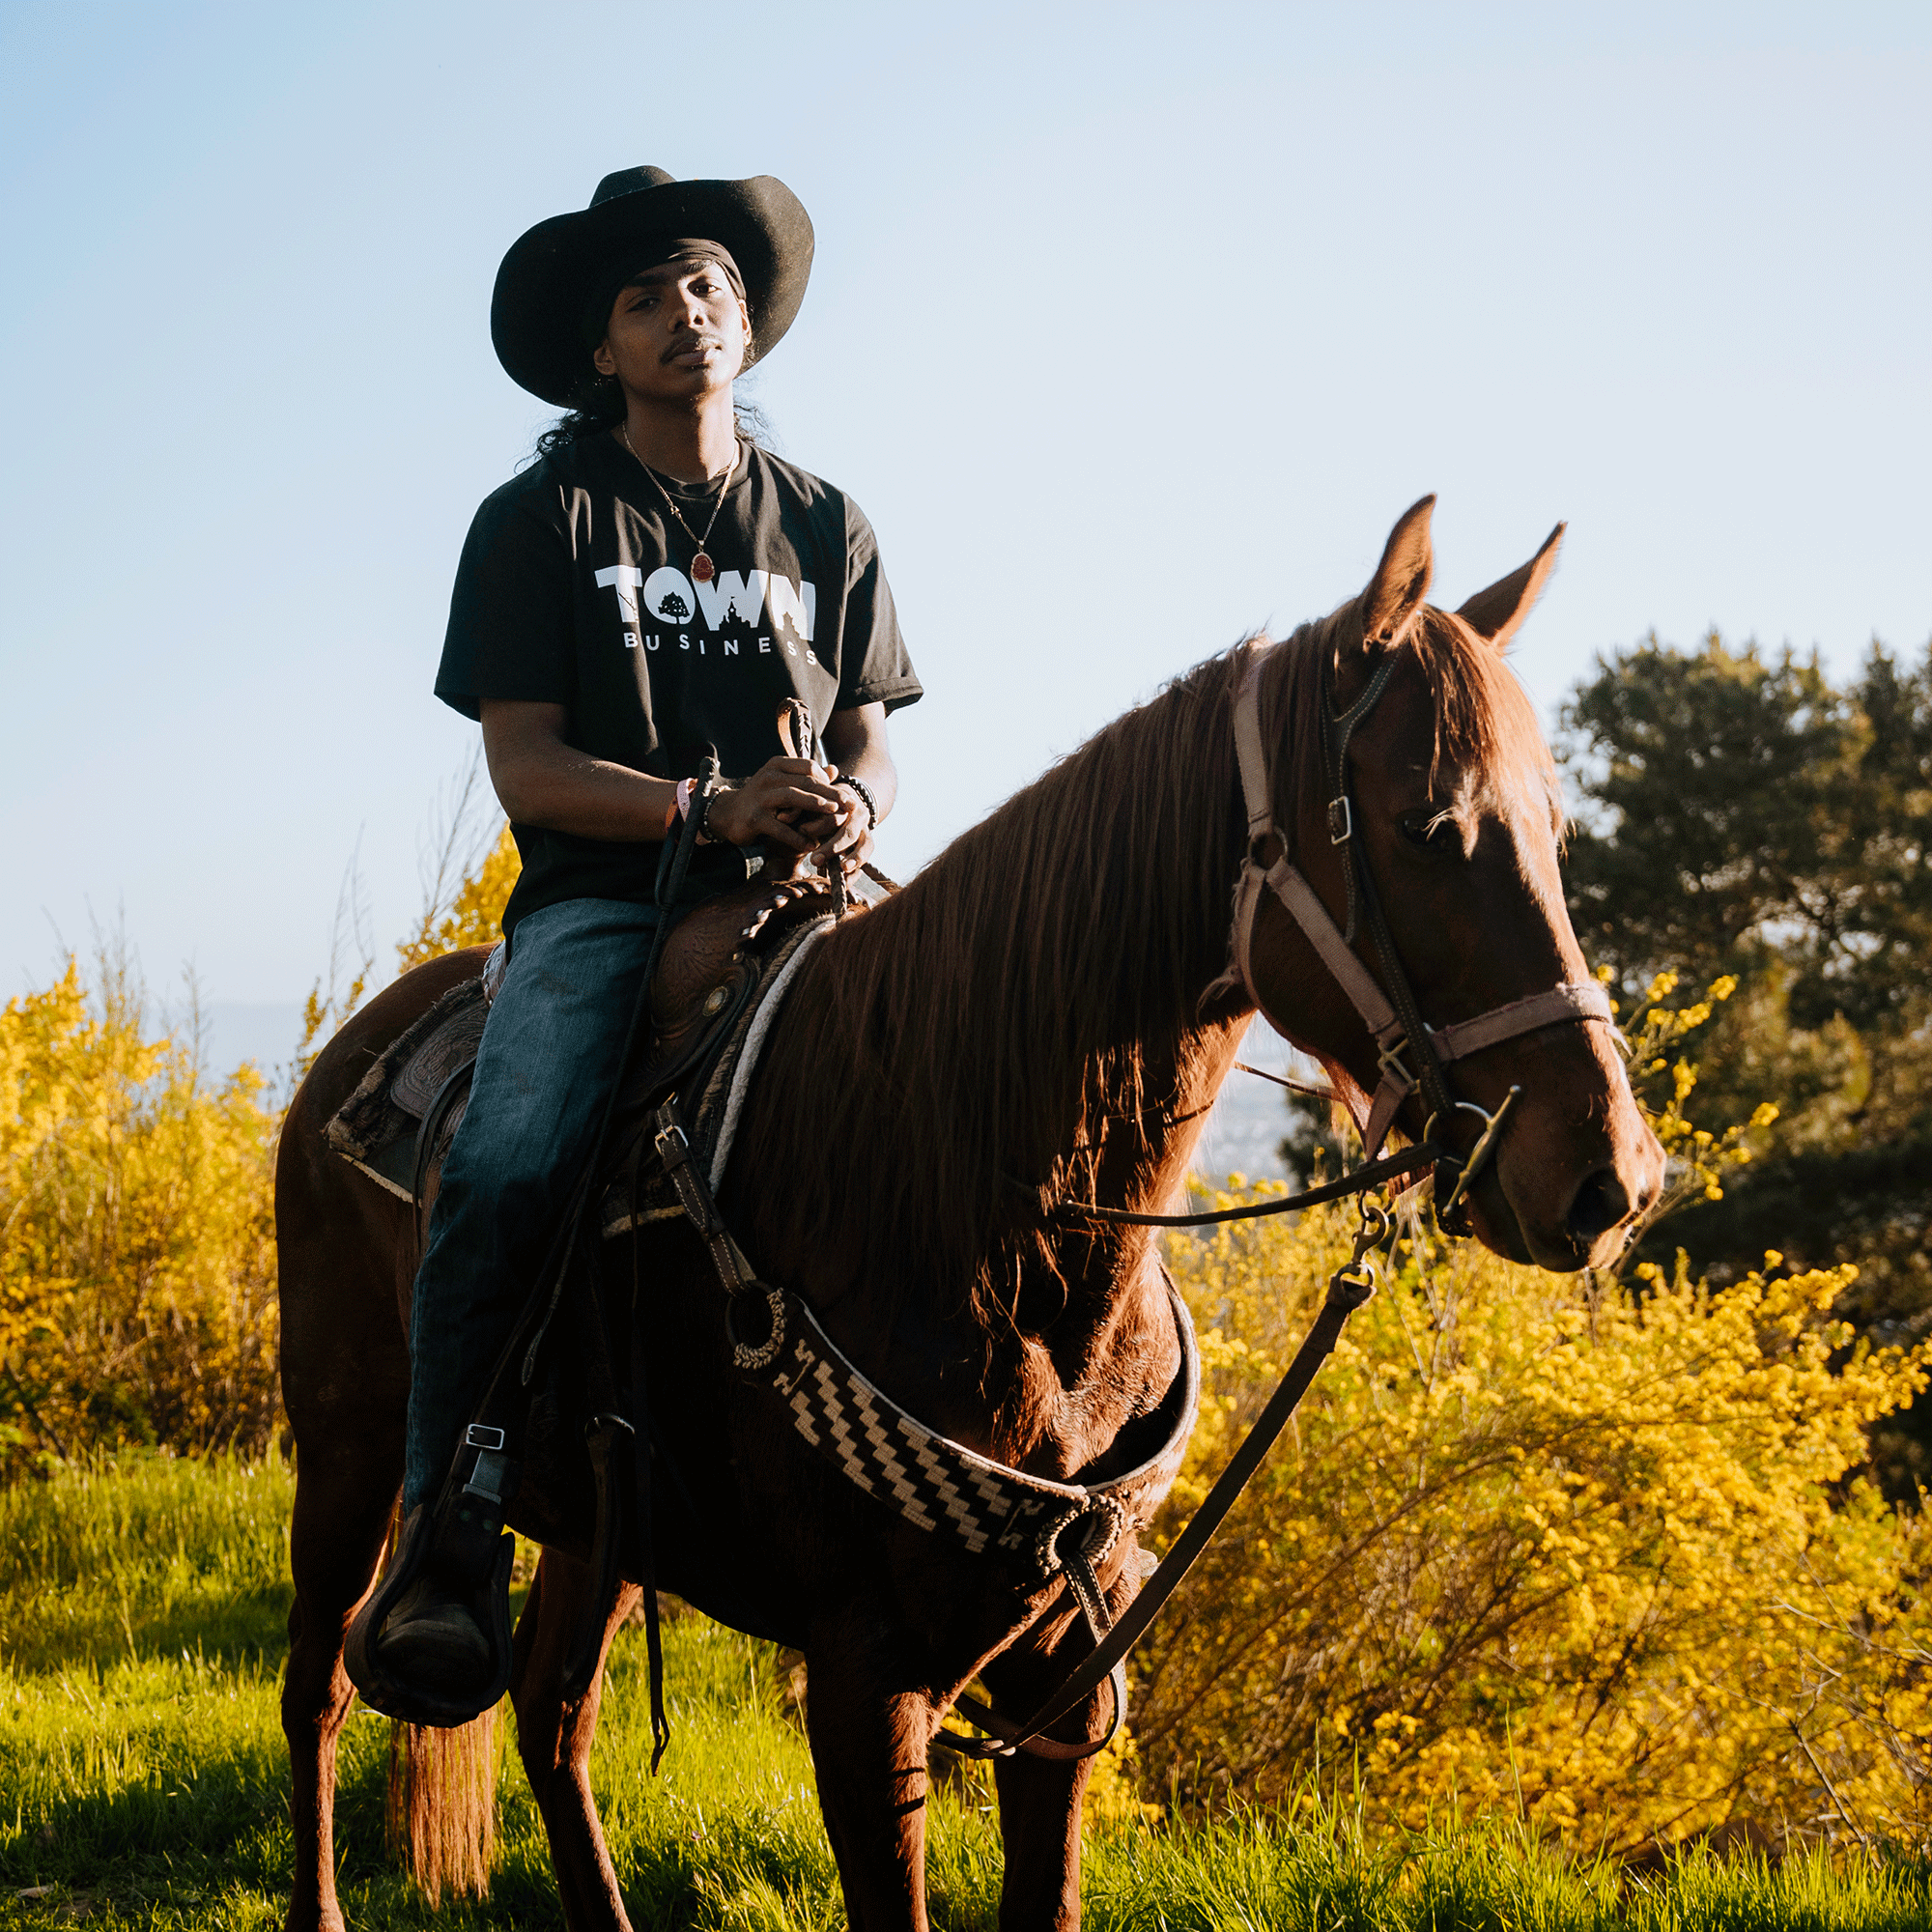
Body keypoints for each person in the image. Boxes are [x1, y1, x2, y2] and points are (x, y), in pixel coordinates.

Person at [373, 166, 922, 1699]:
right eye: (647, 300)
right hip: (608, 908)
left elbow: (872, 735)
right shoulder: (539, 517)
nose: (687, 315)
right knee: (507, 1162)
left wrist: (854, 814)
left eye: (709, 290)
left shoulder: (827, 523)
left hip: (812, 901)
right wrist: (713, 809)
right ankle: (447, 1537)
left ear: (746, 324)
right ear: (599, 354)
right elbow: (528, 765)